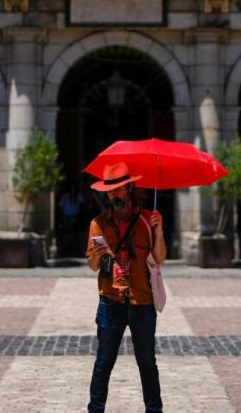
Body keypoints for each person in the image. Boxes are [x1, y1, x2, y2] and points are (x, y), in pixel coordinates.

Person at [86, 162, 166, 413]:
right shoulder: (98, 224)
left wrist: (159, 230)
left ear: (129, 187)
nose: (114, 194)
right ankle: (95, 409)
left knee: (147, 363)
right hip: (111, 299)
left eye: (118, 189)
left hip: (142, 301)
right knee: (103, 363)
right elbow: (92, 265)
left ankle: (154, 410)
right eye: (110, 190)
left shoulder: (146, 220)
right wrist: (98, 255)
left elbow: (160, 257)